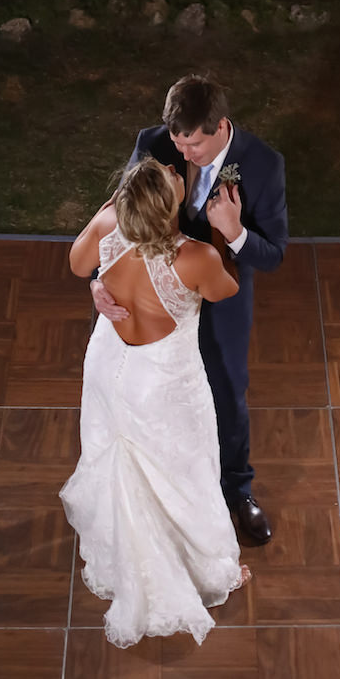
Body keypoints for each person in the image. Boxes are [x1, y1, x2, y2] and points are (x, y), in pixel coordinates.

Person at [60, 157, 250, 647]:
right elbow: (226, 289)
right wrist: (221, 235)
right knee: (182, 472)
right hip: (163, 381)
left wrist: (101, 268)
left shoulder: (108, 223)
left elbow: (79, 263)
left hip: (108, 362)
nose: (171, 163)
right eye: (167, 174)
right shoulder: (194, 258)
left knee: (121, 459)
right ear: (172, 208)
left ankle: (124, 553)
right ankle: (204, 569)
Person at [92, 73, 288, 545]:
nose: (182, 154)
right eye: (177, 143)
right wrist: (101, 280)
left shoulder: (262, 165)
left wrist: (236, 231)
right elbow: (121, 216)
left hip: (222, 302)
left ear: (221, 126)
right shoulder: (152, 143)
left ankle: (237, 490)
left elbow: (274, 253)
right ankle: (164, 493)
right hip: (157, 296)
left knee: (225, 393)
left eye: (194, 145)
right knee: (155, 395)